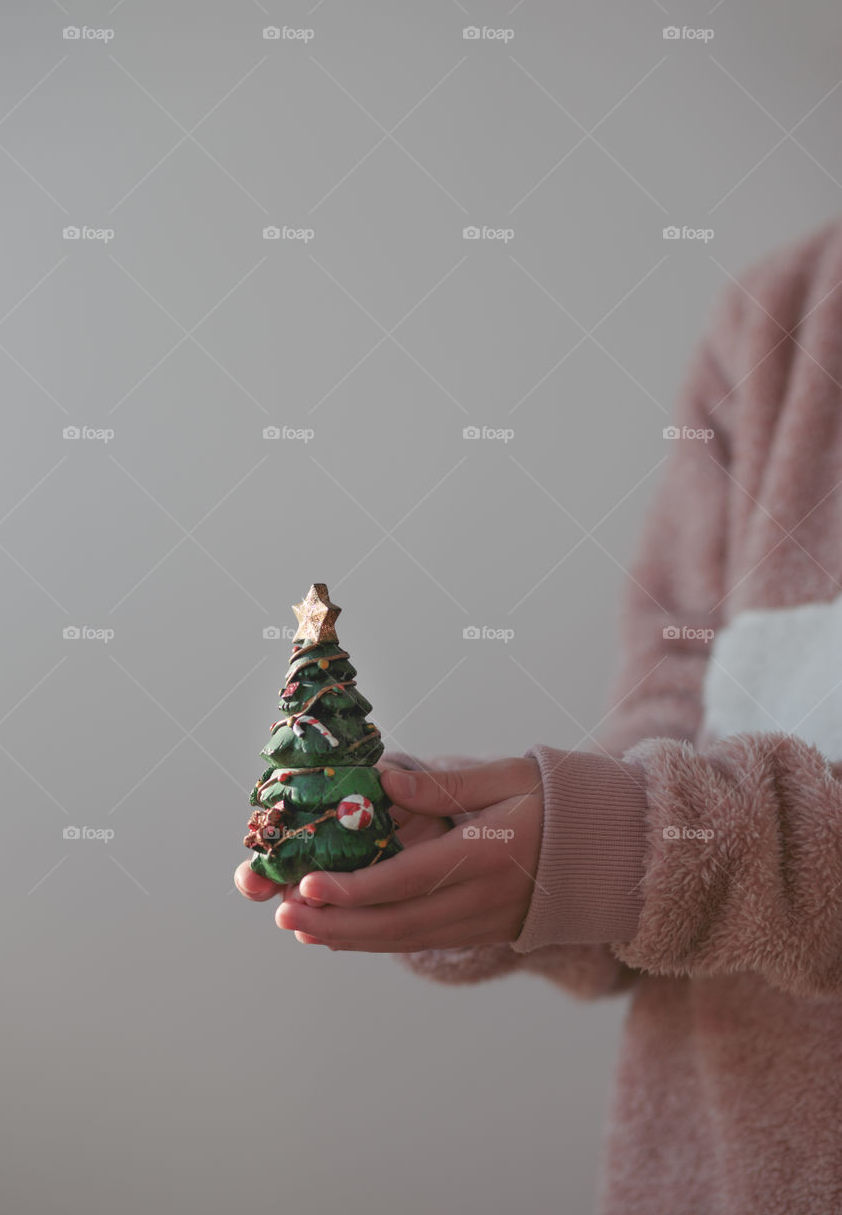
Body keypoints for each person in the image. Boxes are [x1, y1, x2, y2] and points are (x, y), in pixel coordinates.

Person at [236, 213, 842, 1215]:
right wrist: (521, 868)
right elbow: (670, 732)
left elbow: (669, 836)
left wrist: (627, 843)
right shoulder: (777, 312)